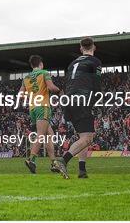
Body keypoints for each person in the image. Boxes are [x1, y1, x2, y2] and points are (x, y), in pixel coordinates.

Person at [20, 55, 68, 178]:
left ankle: (53, 163)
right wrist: (61, 91)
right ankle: (31, 160)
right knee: (41, 135)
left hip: (33, 108)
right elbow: (52, 88)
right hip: (43, 107)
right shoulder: (44, 73)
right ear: (41, 64)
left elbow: (20, 95)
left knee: (49, 135)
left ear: (32, 65)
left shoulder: (26, 77)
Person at [60, 37, 102, 179]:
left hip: (69, 99)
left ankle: (82, 170)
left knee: (83, 136)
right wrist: (95, 101)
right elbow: (96, 84)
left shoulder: (73, 63)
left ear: (80, 49)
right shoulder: (95, 62)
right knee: (88, 138)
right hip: (82, 99)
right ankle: (62, 161)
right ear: (94, 47)